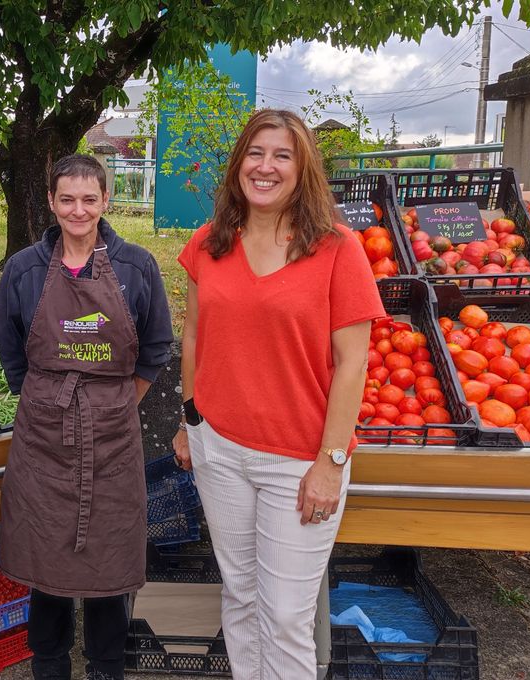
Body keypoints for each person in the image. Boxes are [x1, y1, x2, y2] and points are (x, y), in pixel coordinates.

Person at [171, 109, 384, 680]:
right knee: (239, 596)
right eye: (256, 153)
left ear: (302, 169)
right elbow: (193, 334)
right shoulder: (209, 245)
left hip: (298, 459)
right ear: (240, 162)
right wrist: (189, 416)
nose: (266, 167)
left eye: (282, 156)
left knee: (287, 616)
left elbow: (352, 362)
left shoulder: (336, 248)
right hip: (219, 449)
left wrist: (332, 462)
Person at [0, 154, 174, 680]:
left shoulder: (136, 267)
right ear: (50, 202)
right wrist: (48, 401)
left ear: (105, 202)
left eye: (89, 199)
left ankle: (105, 668)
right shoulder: (24, 269)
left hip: (113, 439)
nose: (78, 210)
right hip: (42, 441)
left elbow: (157, 345)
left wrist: (116, 402)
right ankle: (49, 667)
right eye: (67, 199)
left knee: (109, 567)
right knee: (44, 567)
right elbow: (10, 350)